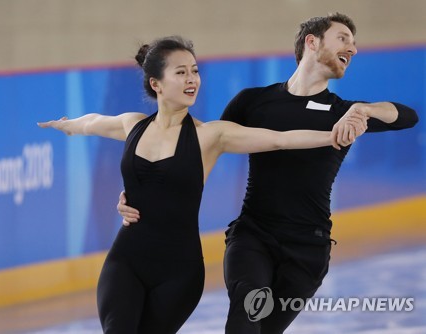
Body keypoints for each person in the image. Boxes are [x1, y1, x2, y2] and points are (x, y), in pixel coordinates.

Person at [38, 35, 366, 333]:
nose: (192, 79)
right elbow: (92, 122)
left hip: (179, 272)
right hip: (126, 260)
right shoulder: (132, 125)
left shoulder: (211, 136)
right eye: (181, 73)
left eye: (194, 71)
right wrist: (65, 125)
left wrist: (334, 134)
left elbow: (280, 140)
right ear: (157, 83)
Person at [117, 14, 419, 333]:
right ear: (312, 42)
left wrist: (366, 110)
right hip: (253, 237)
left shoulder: (345, 113)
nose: (353, 49)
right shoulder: (252, 101)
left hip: (308, 250)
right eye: (344, 38)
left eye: (354, 42)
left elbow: (407, 116)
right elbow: (198, 151)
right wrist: (146, 192)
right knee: (245, 321)